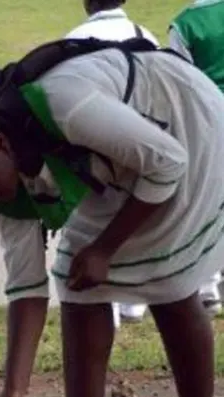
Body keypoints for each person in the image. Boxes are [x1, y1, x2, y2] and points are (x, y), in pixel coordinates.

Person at [0, 43, 223, 397]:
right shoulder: (2, 176)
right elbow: (26, 287)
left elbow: (167, 162)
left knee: (166, 277)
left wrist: (105, 248)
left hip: (189, 125)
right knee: (74, 274)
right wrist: (15, 388)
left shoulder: (65, 103)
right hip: (128, 160)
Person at [65, 0, 159, 325]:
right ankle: (134, 301)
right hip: (141, 137)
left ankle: (109, 302)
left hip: (92, 145)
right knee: (135, 217)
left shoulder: (74, 36)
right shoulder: (142, 34)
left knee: (95, 223)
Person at [169, 0, 224, 317]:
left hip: (209, 123)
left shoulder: (185, 25)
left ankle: (207, 284)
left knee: (207, 201)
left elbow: (181, 82)